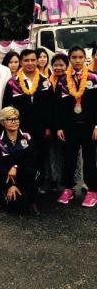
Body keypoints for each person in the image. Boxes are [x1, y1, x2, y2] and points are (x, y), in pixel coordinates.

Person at [55, 46, 97, 207]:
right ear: (69, 59)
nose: (77, 60)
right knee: (69, 158)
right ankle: (68, 188)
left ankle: (93, 190)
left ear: (85, 58)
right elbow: (58, 106)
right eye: (74, 57)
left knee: (89, 159)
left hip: (89, 127)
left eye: (80, 57)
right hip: (69, 126)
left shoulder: (93, 78)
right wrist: (59, 127)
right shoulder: (63, 80)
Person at [2, 49, 52, 184]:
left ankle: (40, 185)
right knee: (22, 157)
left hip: (41, 129)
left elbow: (51, 107)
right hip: (20, 128)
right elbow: (6, 107)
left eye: (33, 60)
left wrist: (48, 127)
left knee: (40, 156)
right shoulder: (12, 83)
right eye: (26, 60)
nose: (30, 63)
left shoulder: (45, 82)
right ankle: (22, 186)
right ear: (21, 62)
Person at [0, 107, 39, 214]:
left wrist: (16, 166)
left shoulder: (26, 136)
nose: (14, 121)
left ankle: (32, 201)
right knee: (16, 208)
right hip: (8, 178)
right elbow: (0, 165)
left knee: (30, 171)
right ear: (3, 122)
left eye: (16, 118)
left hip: (25, 175)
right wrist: (11, 185)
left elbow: (32, 158)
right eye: (10, 119)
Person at [45, 53, 69, 192]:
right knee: (52, 153)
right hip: (52, 123)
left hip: (66, 123)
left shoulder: (70, 81)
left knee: (66, 154)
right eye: (55, 65)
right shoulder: (48, 81)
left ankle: (67, 182)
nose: (58, 68)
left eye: (61, 65)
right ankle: (54, 179)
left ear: (67, 66)